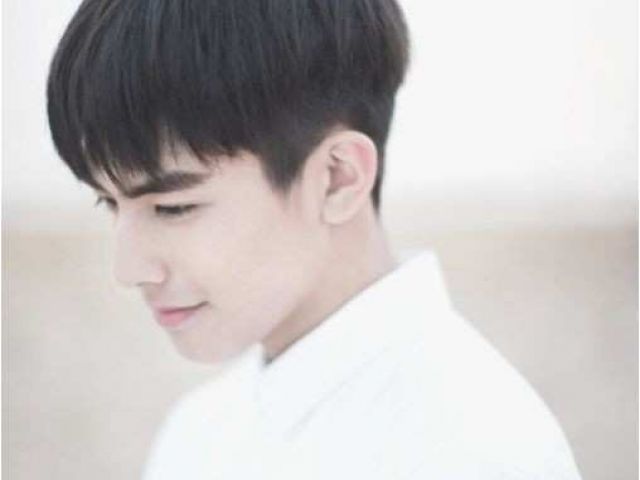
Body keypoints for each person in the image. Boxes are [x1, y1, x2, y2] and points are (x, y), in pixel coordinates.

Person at [46, 0, 584, 478]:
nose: (128, 269)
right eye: (109, 203)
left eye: (172, 207)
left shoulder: (475, 451)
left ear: (337, 178)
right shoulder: (198, 432)